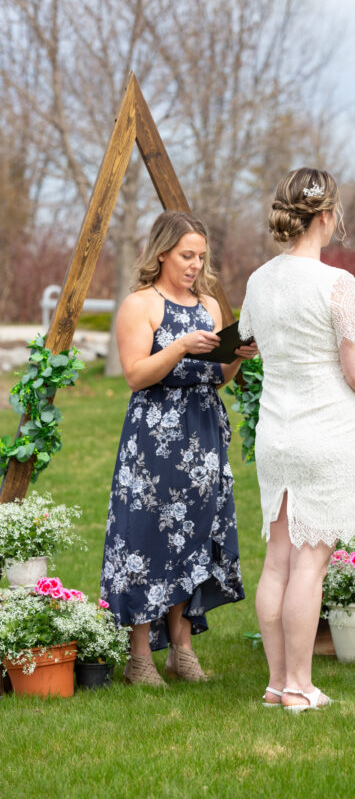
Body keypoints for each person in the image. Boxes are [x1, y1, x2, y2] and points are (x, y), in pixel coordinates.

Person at [239, 167, 355, 712]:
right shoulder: (337, 285)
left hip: (276, 434)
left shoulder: (259, 281)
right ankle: (299, 685)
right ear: (327, 216)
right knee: (310, 564)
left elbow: (248, 343)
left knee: (278, 559)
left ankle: (277, 683)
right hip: (324, 434)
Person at [100, 210, 257, 686]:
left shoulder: (208, 304)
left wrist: (236, 357)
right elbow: (136, 374)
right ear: (163, 252)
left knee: (192, 537)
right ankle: (139, 657)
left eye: (201, 257)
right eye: (187, 255)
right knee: (145, 537)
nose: (195, 265)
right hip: (154, 439)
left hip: (202, 435)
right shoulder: (140, 304)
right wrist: (181, 346)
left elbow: (217, 378)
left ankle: (182, 649)